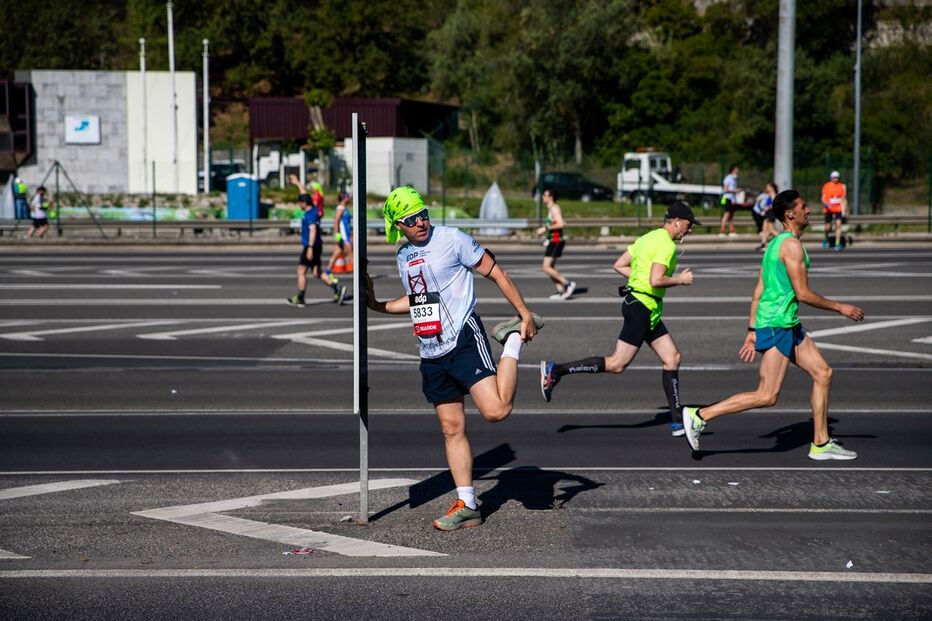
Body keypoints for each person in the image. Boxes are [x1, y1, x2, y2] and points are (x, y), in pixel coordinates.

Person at [366, 186, 544, 531]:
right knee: (451, 428)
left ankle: (511, 343)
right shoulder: (403, 256)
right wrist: (376, 304)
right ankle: (468, 504)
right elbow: (418, 300)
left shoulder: (453, 239)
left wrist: (522, 313)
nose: (420, 221)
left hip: (463, 336)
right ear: (397, 226)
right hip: (431, 351)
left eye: (423, 213)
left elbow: (496, 272)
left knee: (496, 411)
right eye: (410, 219)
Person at [681, 189, 866, 460]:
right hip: (777, 325)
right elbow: (802, 293)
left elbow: (759, 290)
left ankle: (821, 443)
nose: (809, 210)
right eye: (804, 206)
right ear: (790, 213)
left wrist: (751, 331)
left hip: (786, 324)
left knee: (823, 374)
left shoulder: (775, 245)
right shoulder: (790, 246)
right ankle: (700, 415)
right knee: (767, 395)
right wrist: (841, 307)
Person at [540, 201, 700, 437]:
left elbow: (619, 265)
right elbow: (656, 280)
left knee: (672, 358)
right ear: (677, 221)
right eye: (688, 224)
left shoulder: (649, 237)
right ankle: (556, 371)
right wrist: (680, 279)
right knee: (616, 364)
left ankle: (677, 420)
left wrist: (639, 279)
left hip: (644, 306)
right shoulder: (666, 245)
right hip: (642, 308)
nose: (690, 229)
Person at [286, 174, 346, 307]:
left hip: (311, 246)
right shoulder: (313, 208)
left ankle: (300, 297)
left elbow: (312, 230)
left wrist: (309, 248)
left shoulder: (309, 215)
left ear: (303, 203)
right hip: (317, 245)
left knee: (301, 271)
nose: (298, 204)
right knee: (316, 272)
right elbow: (304, 194)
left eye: (299, 202)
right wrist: (297, 183)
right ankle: (337, 288)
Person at [535, 189, 576, 299]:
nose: (543, 197)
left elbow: (561, 223)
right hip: (553, 240)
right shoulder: (551, 209)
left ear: (551, 197)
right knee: (550, 267)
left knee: (546, 267)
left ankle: (568, 284)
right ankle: (560, 290)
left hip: (556, 241)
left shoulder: (554, 208)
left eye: (545, 195)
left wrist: (545, 228)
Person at [326, 191, 353, 276]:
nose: (350, 198)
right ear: (344, 198)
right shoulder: (341, 208)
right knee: (351, 254)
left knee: (336, 253)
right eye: (348, 196)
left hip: (346, 234)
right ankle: (360, 274)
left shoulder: (344, 208)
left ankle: (327, 271)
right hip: (344, 236)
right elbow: (336, 220)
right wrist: (337, 233)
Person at [821, 170, 847, 250]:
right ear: (831, 178)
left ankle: (837, 243)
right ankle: (826, 239)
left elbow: (843, 199)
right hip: (828, 209)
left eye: (837, 177)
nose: (835, 179)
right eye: (834, 177)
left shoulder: (841, 186)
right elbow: (823, 198)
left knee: (838, 225)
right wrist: (826, 204)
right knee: (827, 228)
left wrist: (845, 210)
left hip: (838, 209)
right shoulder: (826, 186)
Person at [752, 182, 779, 251]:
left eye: (768, 187)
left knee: (771, 230)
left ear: (772, 188)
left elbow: (774, 204)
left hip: (771, 213)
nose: (766, 188)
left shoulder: (773, 194)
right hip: (768, 213)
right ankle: (763, 244)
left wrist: (768, 207)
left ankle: (784, 240)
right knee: (764, 230)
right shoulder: (768, 194)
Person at [718, 164, 740, 237]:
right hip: (727, 198)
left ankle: (731, 230)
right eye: (737, 169)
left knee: (731, 216)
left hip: (732, 199)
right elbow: (725, 189)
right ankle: (722, 231)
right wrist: (735, 191)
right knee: (726, 215)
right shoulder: (728, 178)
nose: (738, 171)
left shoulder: (734, 179)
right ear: (733, 170)